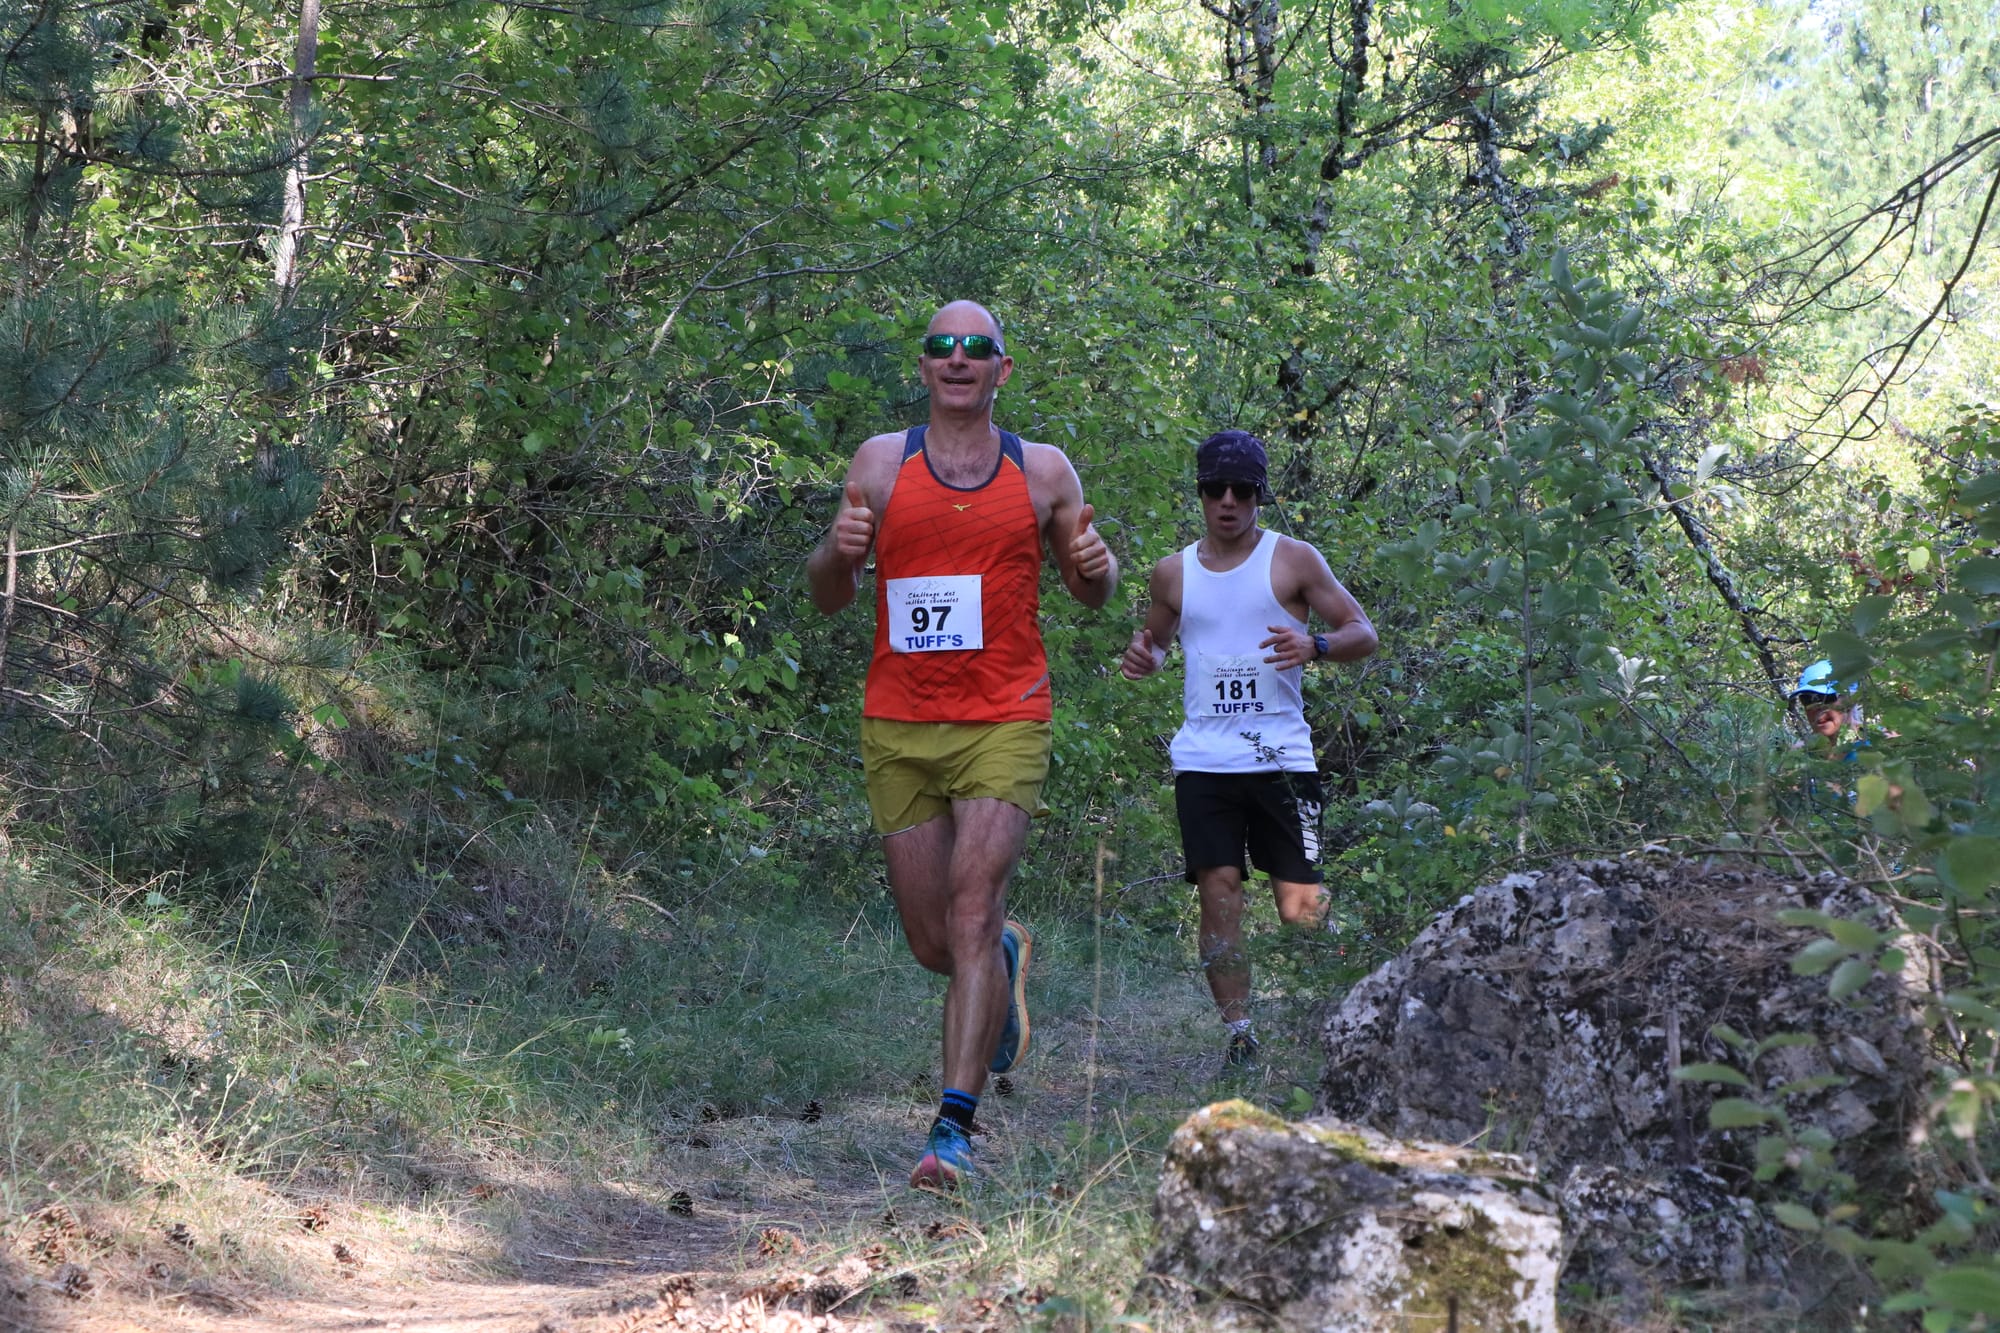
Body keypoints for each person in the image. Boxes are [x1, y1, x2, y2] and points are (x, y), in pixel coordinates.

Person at [806, 300, 1118, 1188]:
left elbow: (1090, 586)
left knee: (973, 910)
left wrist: (1097, 570)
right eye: (942, 347)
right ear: (923, 365)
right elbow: (829, 593)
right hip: (899, 722)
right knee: (936, 941)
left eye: (976, 349)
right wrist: (837, 548)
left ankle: (952, 1132)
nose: (958, 359)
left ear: (1000, 371)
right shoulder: (879, 461)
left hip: (1005, 717)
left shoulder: (1045, 471)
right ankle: (1002, 961)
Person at [1120, 430, 1377, 1067]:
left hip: (1282, 761)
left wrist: (1314, 647)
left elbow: (1361, 632)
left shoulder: (1293, 561)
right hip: (1204, 761)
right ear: (1201, 493)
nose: (1228, 501)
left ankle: (1355, 1003)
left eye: (1242, 490)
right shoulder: (1172, 572)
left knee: (1301, 909)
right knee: (1220, 889)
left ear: (1260, 495)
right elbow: (1153, 643)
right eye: (1215, 489)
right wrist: (1142, 657)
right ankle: (1241, 1034)